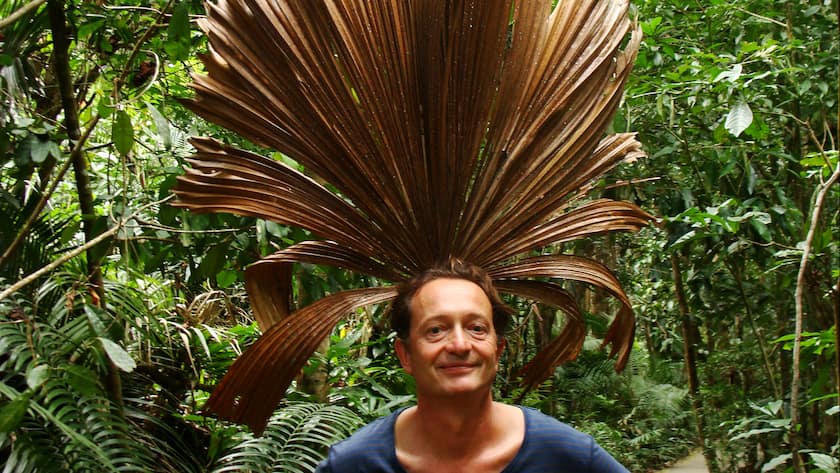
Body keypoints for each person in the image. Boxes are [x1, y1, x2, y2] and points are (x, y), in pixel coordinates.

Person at [315, 259, 629, 472]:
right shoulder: (355, 463)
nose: (460, 345)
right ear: (405, 355)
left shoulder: (564, 454)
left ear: (498, 350)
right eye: (435, 330)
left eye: (476, 328)